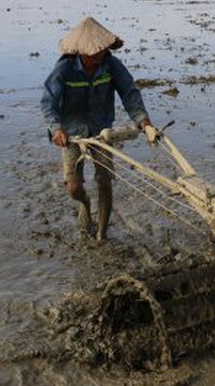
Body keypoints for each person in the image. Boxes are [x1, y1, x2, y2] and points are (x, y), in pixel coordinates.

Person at [41, 16, 154, 241]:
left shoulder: (111, 65)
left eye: (101, 51)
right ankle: (85, 203)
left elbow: (129, 92)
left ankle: (102, 234)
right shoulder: (64, 69)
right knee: (73, 188)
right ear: (81, 51)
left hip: (103, 131)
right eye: (93, 53)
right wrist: (56, 128)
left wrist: (143, 120)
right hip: (73, 134)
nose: (98, 56)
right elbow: (48, 102)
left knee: (105, 179)